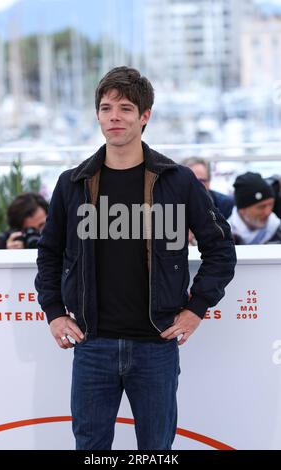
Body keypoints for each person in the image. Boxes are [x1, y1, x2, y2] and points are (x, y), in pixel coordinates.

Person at [35, 66, 236, 450]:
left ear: (144, 117)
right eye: (106, 107)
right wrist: (55, 311)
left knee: (156, 449)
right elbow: (49, 253)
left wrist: (196, 309)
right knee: (90, 448)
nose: (114, 116)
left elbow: (221, 249)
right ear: (96, 114)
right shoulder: (72, 183)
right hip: (93, 343)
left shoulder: (177, 181)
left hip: (155, 345)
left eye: (126, 108)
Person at [228, 171, 281, 245]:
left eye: (270, 204)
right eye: (261, 207)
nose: (268, 212)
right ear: (242, 210)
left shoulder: (277, 228)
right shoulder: (224, 237)